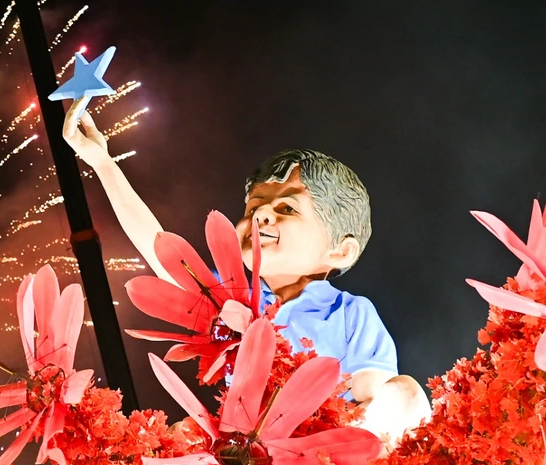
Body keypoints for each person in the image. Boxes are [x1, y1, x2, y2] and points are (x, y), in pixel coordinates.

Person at [62, 98, 430, 440]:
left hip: (328, 448)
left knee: (405, 395)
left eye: (287, 209)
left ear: (340, 250)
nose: (262, 216)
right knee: (179, 436)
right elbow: (160, 248)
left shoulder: (350, 313)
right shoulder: (230, 300)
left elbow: (374, 397)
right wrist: (103, 164)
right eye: (254, 208)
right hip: (248, 454)